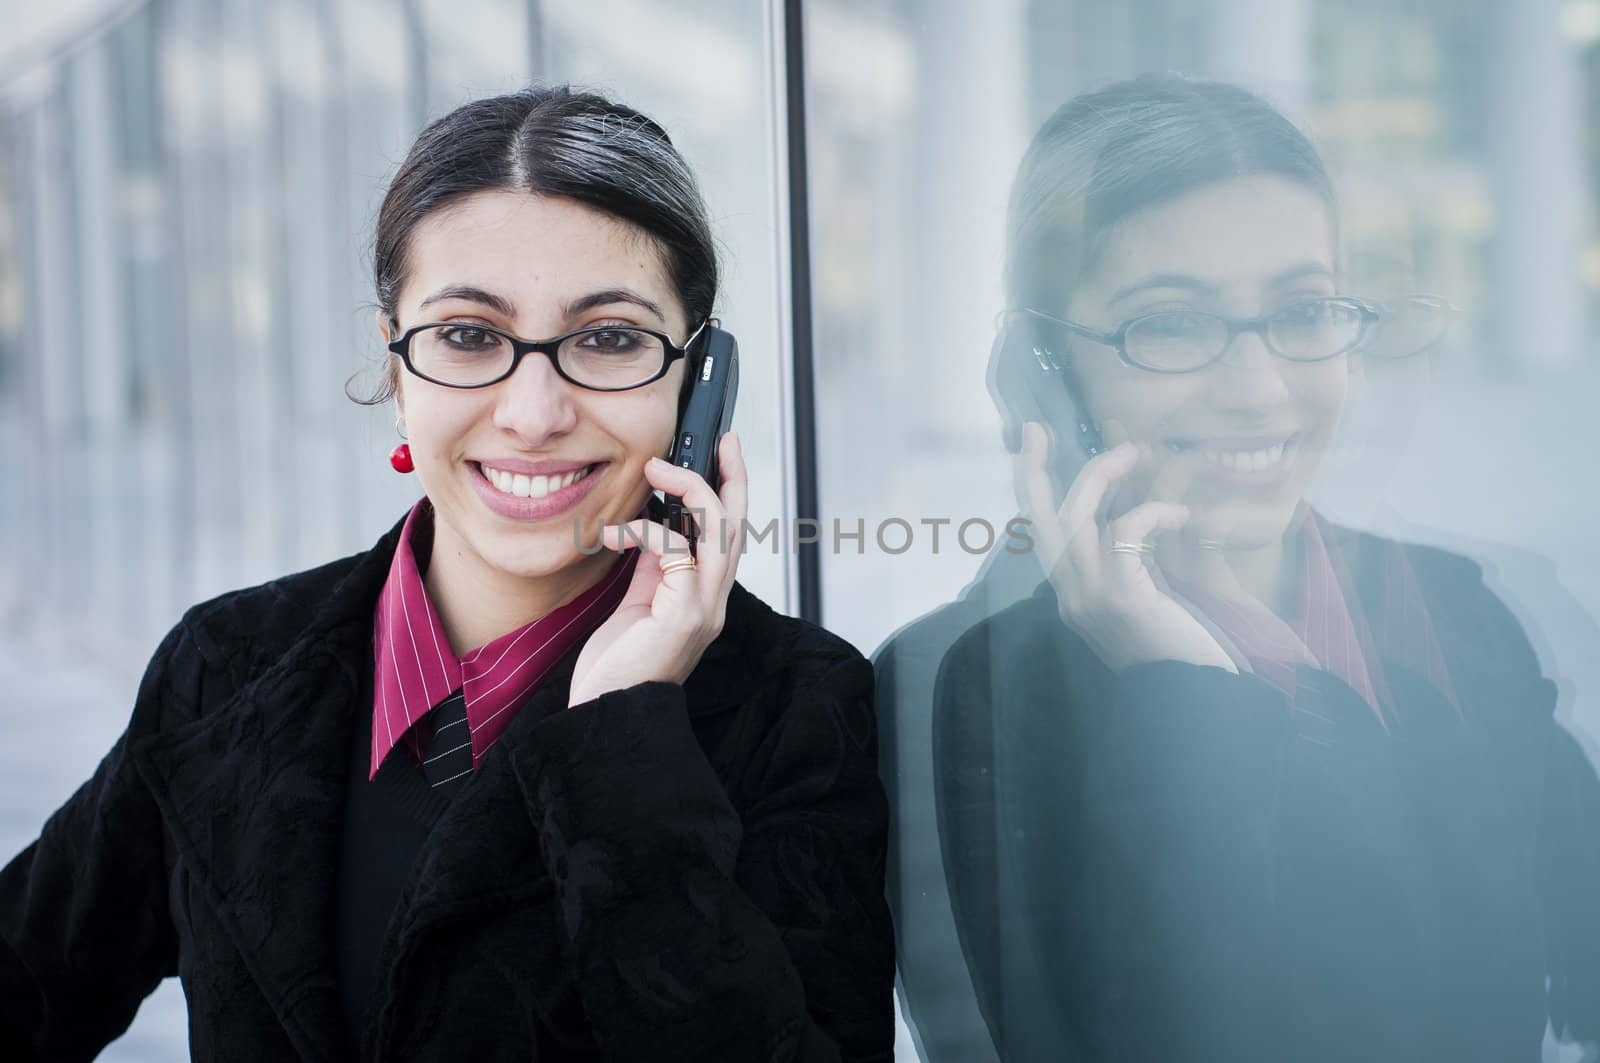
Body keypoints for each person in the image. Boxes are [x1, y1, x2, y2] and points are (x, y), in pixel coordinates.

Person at [0, 85, 895, 1062]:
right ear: (394, 372)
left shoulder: (798, 704)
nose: (534, 411)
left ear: (698, 382)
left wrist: (621, 743)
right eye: (469, 337)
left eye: (608, 339)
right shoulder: (227, 667)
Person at [886, 74, 1600, 1062]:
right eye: (1171, 324)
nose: (1260, 392)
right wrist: (1173, 690)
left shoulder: (1447, 613)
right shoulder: (964, 691)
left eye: (1304, 311)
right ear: (1046, 369)